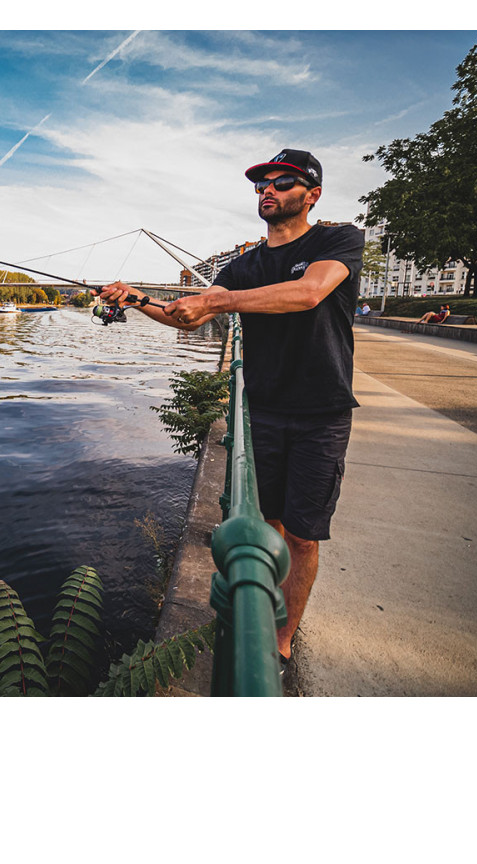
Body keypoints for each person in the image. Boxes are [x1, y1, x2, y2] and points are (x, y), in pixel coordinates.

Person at [100, 148, 363, 674]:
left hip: (321, 412)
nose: (269, 190)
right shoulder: (242, 267)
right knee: (266, 523)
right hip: (260, 409)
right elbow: (187, 317)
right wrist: (138, 300)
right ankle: (262, 610)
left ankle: (282, 639)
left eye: (283, 182)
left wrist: (218, 301)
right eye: (263, 184)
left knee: (303, 535)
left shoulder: (337, 240)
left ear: (311, 195)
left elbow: (308, 293)